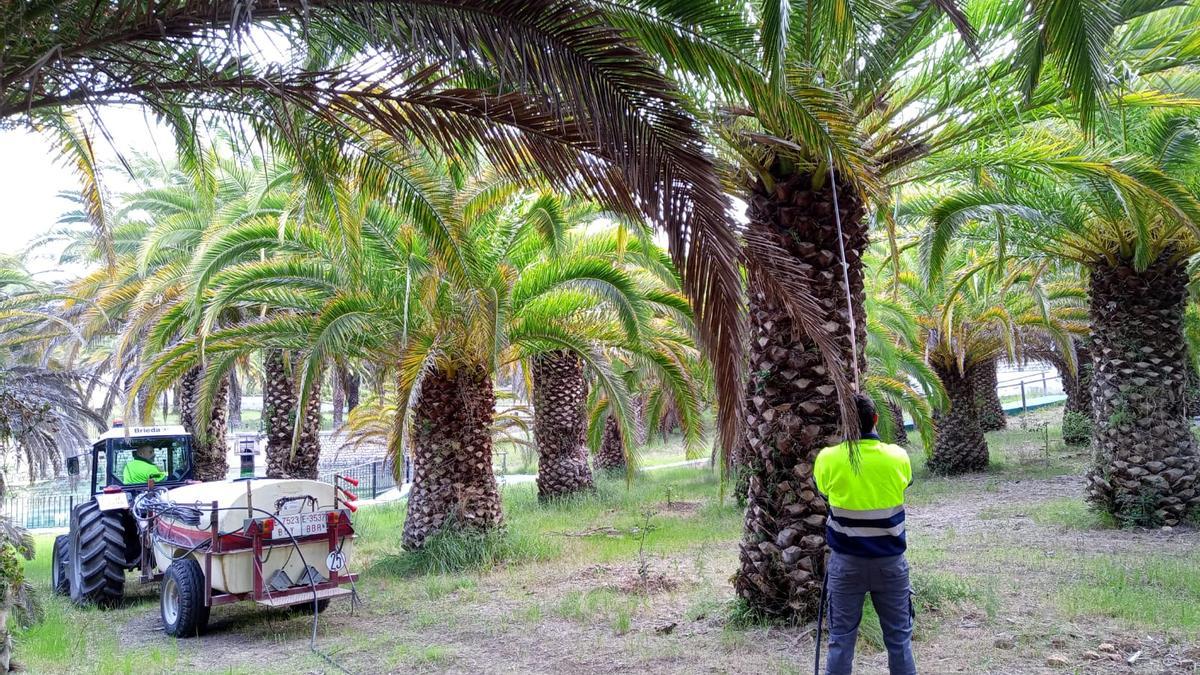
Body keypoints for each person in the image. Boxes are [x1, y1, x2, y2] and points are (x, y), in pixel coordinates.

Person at [814, 393, 915, 675]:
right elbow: (906, 484)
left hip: (846, 566)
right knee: (899, 642)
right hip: (891, 565)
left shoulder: (827, 459)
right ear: (876, 419)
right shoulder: (898, 457)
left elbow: (822, 491)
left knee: (841, 642)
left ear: (843, 424)